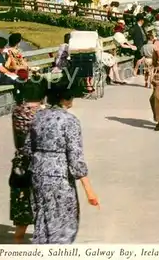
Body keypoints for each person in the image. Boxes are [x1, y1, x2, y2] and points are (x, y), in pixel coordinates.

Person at [20, 77, 99, 244]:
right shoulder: (70, 121)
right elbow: (76, 159)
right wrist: (89, 190)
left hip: (38, 174)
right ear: (65, 99)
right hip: (59, 177)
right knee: (63, 223)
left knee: (42, 220)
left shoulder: (37, 117)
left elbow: (27, 148)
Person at [10, 76, 48, 243]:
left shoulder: (17, 111)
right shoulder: (45, 114)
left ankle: (18, 242)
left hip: (22, 162)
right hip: (42, 163)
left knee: (23, 205)